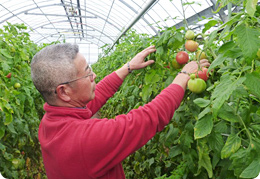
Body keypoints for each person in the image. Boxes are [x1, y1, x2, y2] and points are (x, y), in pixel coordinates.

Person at [31, 43, 210, 179]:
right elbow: (149, 117)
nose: (94, 76)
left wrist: (128, 67)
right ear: (64, 91)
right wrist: (184, 75)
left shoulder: (51, 121)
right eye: (87, 73)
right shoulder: (84, 141)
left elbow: (96, 95)